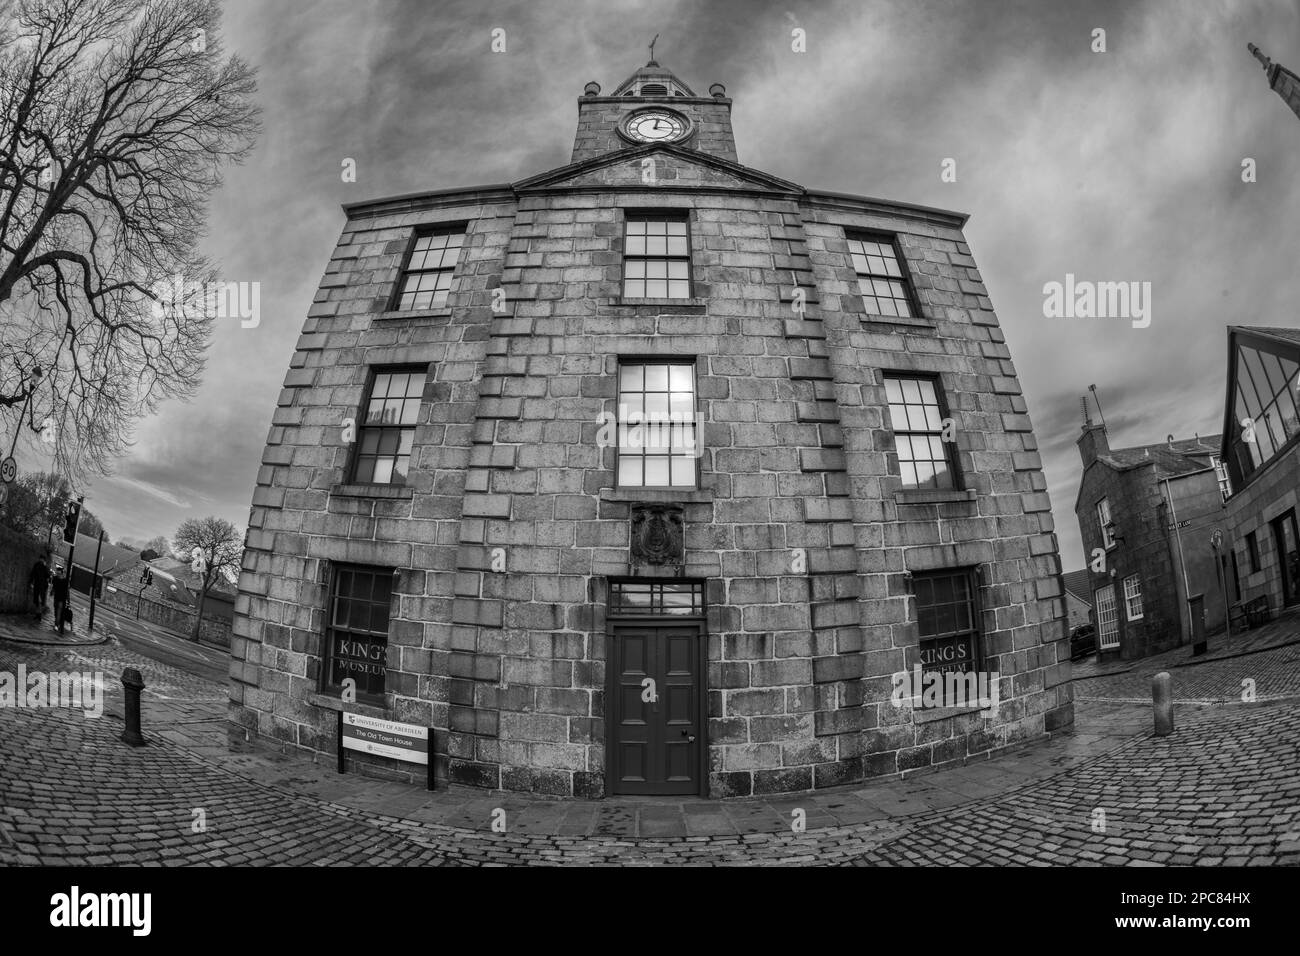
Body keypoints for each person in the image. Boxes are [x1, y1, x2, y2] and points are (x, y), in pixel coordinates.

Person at [28, 555, 50, 619]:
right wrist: (31, 582)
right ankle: (37, 613)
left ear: (44, 560)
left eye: (42, 559)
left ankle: (39, 613)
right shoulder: (36, 565)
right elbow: (33, 573)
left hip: (42, 586)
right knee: (36, 600)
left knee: (39, 599)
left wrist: (45, 566)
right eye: (40, 559)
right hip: (37, 584)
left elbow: (48, 575)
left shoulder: (45, 567)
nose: (41, 560)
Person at [51, 565, 71, 635]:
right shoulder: (65, 580)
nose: (57, 574)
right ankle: (57, 624)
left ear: (61, 572)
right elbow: (67, 591)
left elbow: (53, 587)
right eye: (57, 573)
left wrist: (52, 592)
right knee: (57, 611)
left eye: (58, 572)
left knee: (57, 612)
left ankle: (56, 624)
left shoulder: (56, 578)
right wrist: (68, 600)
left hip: (59, 598)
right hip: (60, 598)